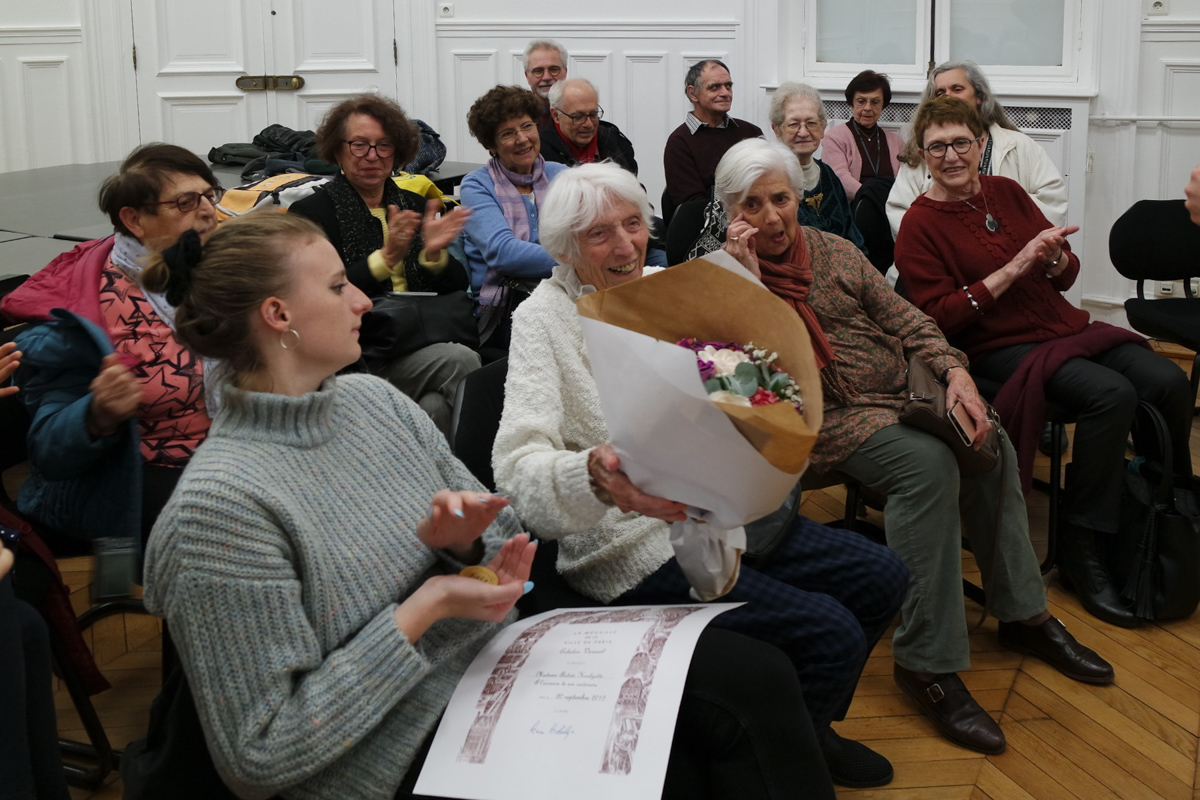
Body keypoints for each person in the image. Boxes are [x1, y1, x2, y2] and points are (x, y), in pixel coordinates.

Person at [142, 211, 838, 800]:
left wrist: (464, 551)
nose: (363, 301)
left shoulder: (372, 402)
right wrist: (424, 609)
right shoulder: (219, 510)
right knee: (690, 760)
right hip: (391, 750)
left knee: (758, 677)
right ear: (278, 316)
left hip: (488, 664)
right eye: (336, 286)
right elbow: (261, 754)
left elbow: (502, 532)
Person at [493, 160, 909, 789]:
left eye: (633, 224)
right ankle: (785, 749)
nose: (625, 245)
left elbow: (752, 392)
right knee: (830, 633)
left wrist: (748, 324)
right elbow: (517, 466)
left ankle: (804, 729)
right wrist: (593, 474)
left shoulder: (665, 286)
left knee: (883, 577)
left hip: (726, 510)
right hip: (632, 543)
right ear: (565, 248)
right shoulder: (541, 319)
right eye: (599, 234)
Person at [703, 138, 1115, 757]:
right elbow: (756, 403)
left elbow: (909, 320)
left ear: (799, 196)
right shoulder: (713, 286)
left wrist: (956, 373)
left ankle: (1024, 614)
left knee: (989, 439)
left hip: (901, 393)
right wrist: (751, 290)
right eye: (751, 205)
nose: (770, 218)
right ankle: (927, 662)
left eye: (781, 199)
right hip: (818, 422)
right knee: (926, 467)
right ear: (729, 211)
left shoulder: (834, 250)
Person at [893, 96, 1195, 629]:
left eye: (961, 142)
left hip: (1062, 330)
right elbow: (939, 317)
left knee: (1167, 379)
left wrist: (1054, 257)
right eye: (937, 147)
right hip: (992, 348)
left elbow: (1067, 275)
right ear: (921, 153)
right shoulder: (919, 223)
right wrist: (1013, 268)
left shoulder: (1008, 192)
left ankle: (1159, 514)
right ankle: (1083, 546)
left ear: (981, 143)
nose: (951, 155)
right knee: (1111, 394)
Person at [2, 143, 220, 559]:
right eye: (186, 202)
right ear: (134, 219)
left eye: (211, 195)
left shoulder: (215, 269)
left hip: (229, 451)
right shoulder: (87, 317)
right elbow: (48, 453)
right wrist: (96, 415)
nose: (210, 211)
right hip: (133, 481)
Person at [290, 94, 478, 436]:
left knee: (435, 407)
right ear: (337, 151)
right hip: (356, 357)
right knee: (459, 360)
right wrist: (387, 258)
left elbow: (455, 287)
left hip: (417, 341)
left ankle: (428, 469)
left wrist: (434, 254)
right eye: (359, 145)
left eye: (384, 145)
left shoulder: (413, 203)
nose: (372, 156)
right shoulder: (311, 214)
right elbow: (317, 299)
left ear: (397, 151)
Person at [886, 60, 1067, 238]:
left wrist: (1005, 206)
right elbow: (900, 213)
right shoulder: (921, 153)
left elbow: (1053, 204)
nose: (948, 96)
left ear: (979, 97)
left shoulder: (1019, 145)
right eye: (940, 92)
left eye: (957, 89)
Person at [687, 81, 865, 261]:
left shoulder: (829, 175)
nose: (803, 132)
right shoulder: (756, 179)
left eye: (811, 123)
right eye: (794, 124)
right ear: (776, 130)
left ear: (823, 128)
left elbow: (854, 239)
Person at [461, 86, 568, 350]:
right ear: (491, 145)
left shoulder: (561, 174)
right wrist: (579, 259)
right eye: (508, 133)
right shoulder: (477, 185)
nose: (522, 139)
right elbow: (503, 253)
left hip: (565, 292)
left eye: (527, 126)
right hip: (503, 309)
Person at [822, 70, 905, 271]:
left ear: (883, 105)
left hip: (891, 212)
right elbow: (839, 178)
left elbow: (904, 180)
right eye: (861, 101)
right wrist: (872, 201)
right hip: (856, 213)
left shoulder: (896, 141)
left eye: (875, 102)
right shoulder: (835, 137)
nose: (868, 108)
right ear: (851, 103)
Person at [662, 59, 763, 215]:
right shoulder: (679, 142)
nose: (725, 93)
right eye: (714, 87)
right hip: (707, 226)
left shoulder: (751, 133)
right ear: (693, 93)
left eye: (728, 86)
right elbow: (691, 208)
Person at [540, 77, 637, 174]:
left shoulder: (617, 145)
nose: (589, 124)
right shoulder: (540, 155)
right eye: (578, 117)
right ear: (556, 115)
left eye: (593, 114)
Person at [523, 39, 568, 126]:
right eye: (538, 71)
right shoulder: (517, 115)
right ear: (527, 76)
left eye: (554, 69)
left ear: (565, 72)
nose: (546, 77)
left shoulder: (581, 109)